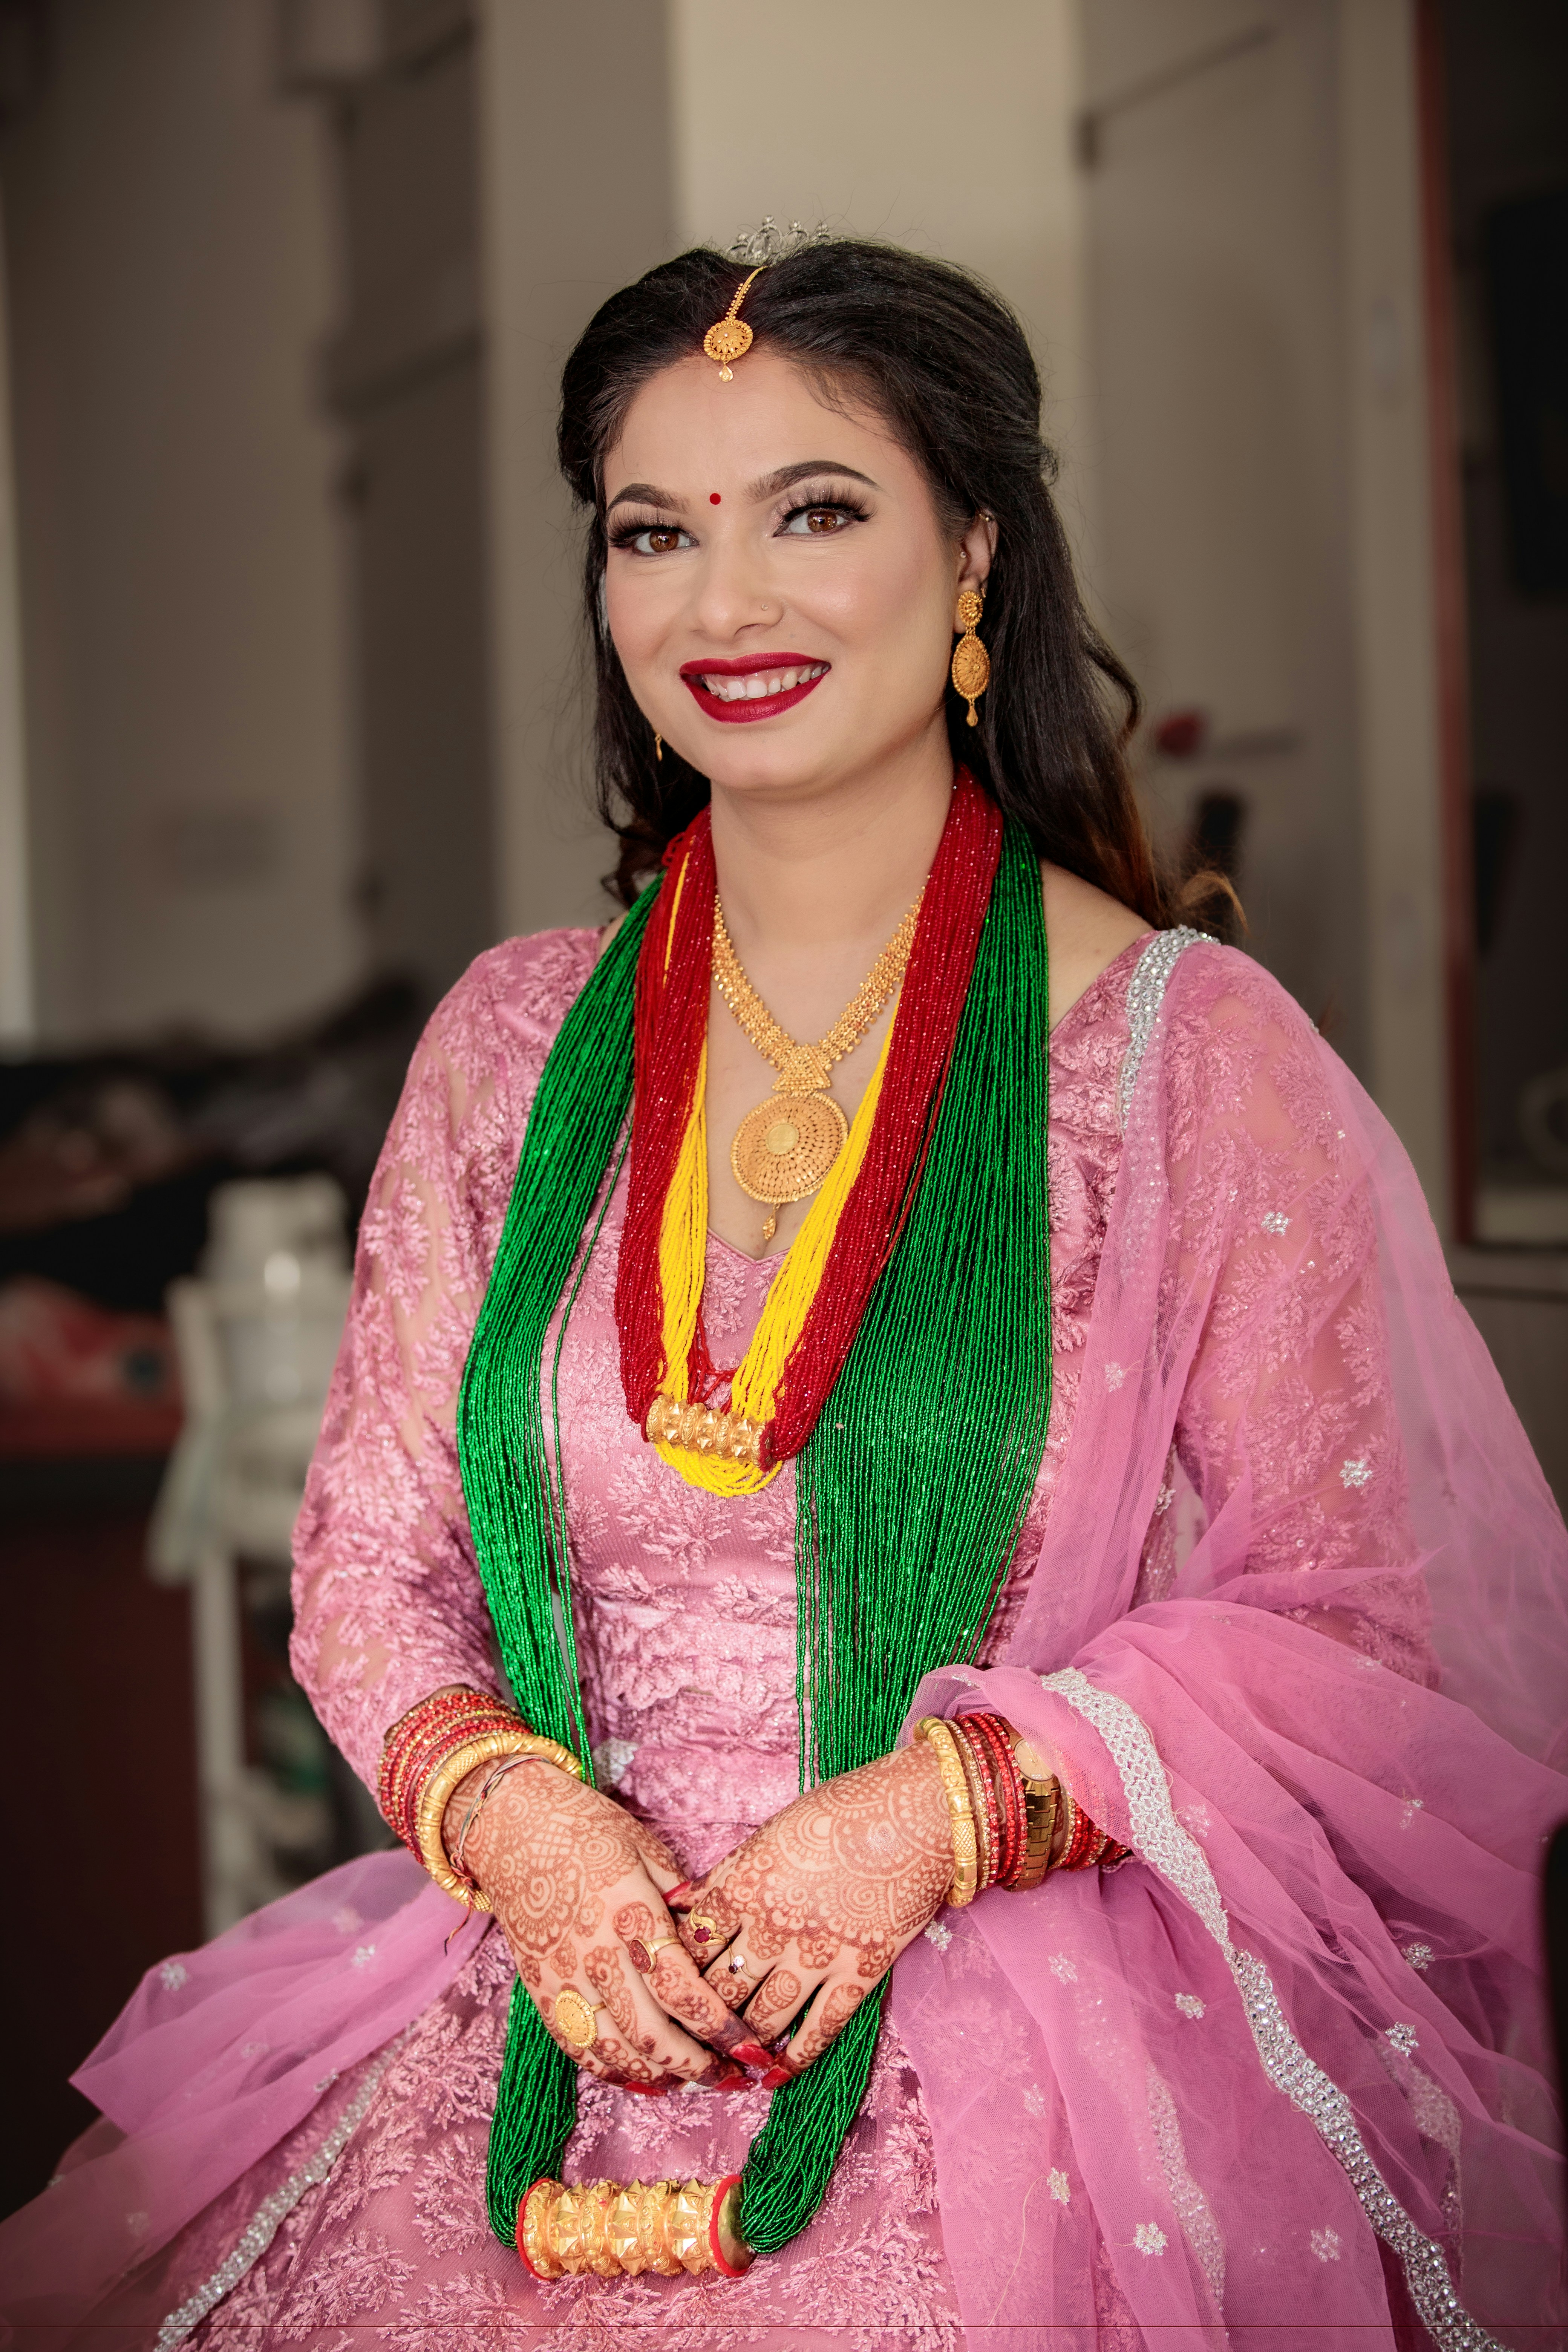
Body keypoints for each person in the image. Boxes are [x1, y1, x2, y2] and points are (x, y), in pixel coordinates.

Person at [2, 228, 1564, 2352]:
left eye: (813, 513)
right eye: (656, 533)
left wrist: (931, 1820)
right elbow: (373, 1563)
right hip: (555, 2015)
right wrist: (530, 1831)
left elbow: (1368, 1618)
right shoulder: (513, 1046)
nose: (724, 604)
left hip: (1034, 2064)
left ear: (977, 553)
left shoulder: (1188, 1060)